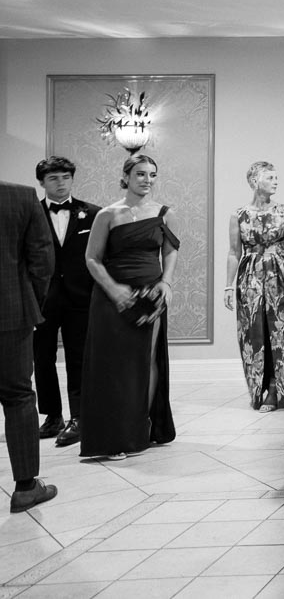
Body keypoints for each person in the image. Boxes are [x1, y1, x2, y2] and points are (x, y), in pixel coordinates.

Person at [80, 154, 179, 460]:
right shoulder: (107, 214)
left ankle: (140, 429)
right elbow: (92, 258)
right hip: (112, 298)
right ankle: (112, 435)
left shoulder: (164, 213)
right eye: (140, 174)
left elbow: (170, 251)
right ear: (126, 177)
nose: (147, 180)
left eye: (152, 175)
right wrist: (113, 289)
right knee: (113, 366)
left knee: (145, 361)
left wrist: (166, 283)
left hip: (150, 296)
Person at [224, 161, 284, 412]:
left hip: (281, 275)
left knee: (282, 331)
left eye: (276, 177)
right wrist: (228, 287)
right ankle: (260, 389)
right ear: (255, 181)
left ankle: (279, 388)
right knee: (254, 332)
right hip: (250, 277)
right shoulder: (238, 215)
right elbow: (234, 252)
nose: (276, 181)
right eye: (270, 177)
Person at [33, 155, 99, 448]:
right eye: (53, 179)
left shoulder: (93, 213)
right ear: (42, 183)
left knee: (78, 358)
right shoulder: (30, 213)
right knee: (42, 359)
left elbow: (100, 256)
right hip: (42, 299)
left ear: (72, 179)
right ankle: (53, 416)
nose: (60, 184)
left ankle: (80, 418)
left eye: (65, 178)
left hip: (80, 298)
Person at [1, 177, 57, 513]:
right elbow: (43, 261)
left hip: (14, 314)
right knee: (18, 396)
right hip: (10, 315)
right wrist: (29, 303)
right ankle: (25, 488)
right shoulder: (22, 197)